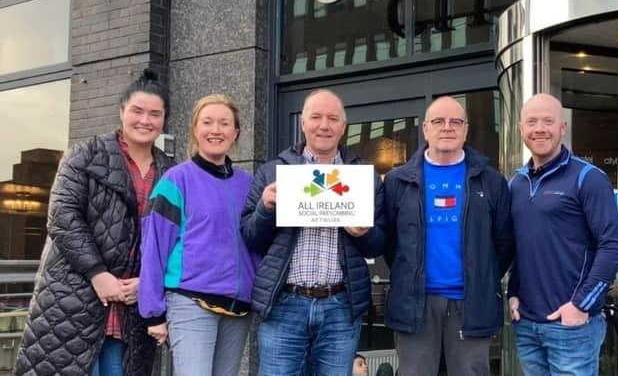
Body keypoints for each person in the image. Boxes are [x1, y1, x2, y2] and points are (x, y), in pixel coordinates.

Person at [14, 69, 174, 376]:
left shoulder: (171, 171)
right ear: (121, 112)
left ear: (164, 119)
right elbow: (63, 217)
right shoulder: (84, 155)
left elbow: (177, 237)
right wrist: (98, 274)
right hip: (73, 296)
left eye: (155, 114)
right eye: (137, 111)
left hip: (131, 306)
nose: (145, 121)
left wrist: (149, 282)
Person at [241, 89, 386, 376]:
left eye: (333, 118)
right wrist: (265, 210)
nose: (324, 125)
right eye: (316, 117)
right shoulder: (273, 172)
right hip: (284, 303)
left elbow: (378, 244)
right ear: (303, 124)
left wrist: (363, 234)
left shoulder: (364, 178)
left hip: (340, 306)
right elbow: (250, 237)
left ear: (343, 128)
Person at [383, 96, 514, 376]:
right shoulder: (398, 181)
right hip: (415, 304)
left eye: (456, 121)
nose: (447, 127)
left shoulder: (491, 181)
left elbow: (503, 244)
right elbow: (391, 243)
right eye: (438, 121)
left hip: (471, 304)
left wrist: (480, 274)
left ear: (466, 130)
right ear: (425, 128)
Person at [138, 94, 260, 376]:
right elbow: (154, 247)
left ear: (236, 132)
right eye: (207, 122)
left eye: (224, 123)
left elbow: (257, 244)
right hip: (191, 303)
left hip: (237, 308)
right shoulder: (176, 181)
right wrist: (153, 312)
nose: (215, 130)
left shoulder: (249, 184)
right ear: (195, 130)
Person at [508, 93, 618, 376]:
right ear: (521, 129)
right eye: (532, 121)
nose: (539, 128)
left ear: (563, 127)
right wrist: (513, 293)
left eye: (548, 121)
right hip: (527, 324)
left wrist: (580, 305)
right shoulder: (516, 183)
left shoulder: (588, 178)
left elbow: (613, 246)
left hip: (572, 326)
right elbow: (519, 245)